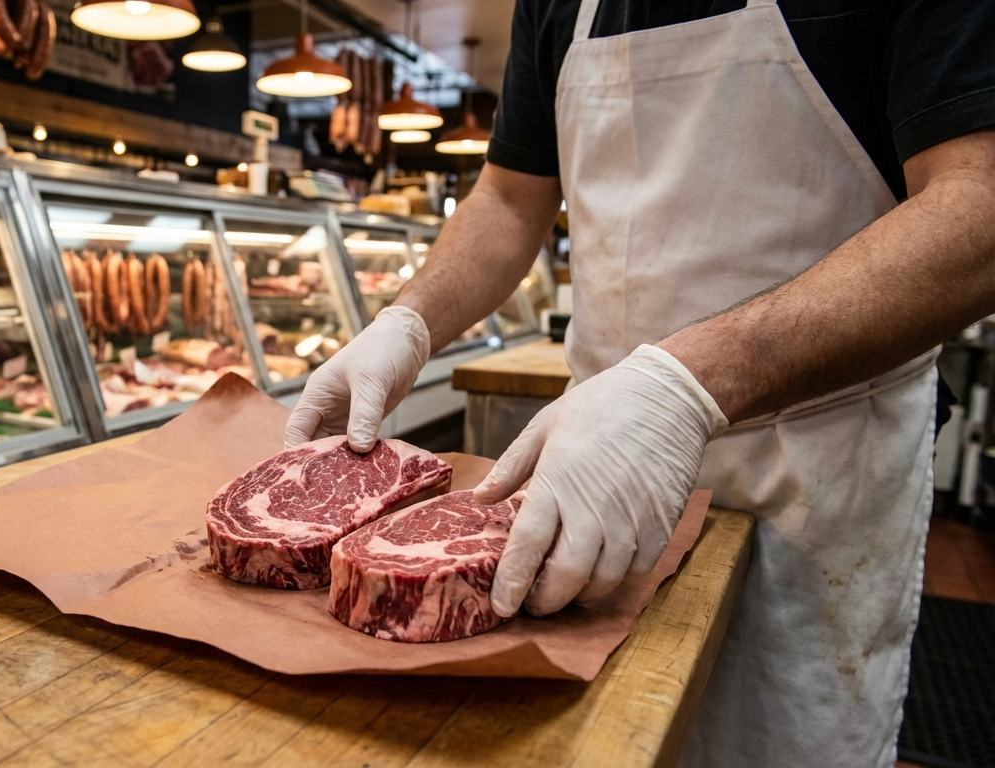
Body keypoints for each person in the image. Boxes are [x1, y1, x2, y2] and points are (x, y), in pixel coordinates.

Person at [285, 0, 995, 764]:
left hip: (811, 473)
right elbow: (509, 197)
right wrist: (408, 320)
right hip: (588, 460)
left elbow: (978, 199)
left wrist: (683, 388)